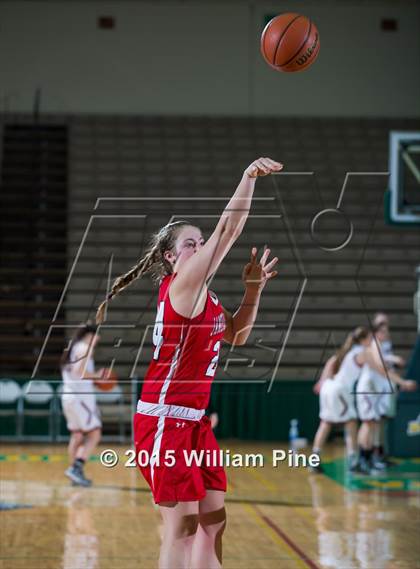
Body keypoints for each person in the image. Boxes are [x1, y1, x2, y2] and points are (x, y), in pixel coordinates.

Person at [96, 157, 282, 569]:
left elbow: (237, 334)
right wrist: (247, 177)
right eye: (190, 244)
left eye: (200, 243)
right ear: (169, 257)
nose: (199, 248)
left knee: (214, 521)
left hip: (193, 421)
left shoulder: (208, 299)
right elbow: (229, 230)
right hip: (164, 420)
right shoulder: (181, 287)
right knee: (180, 527)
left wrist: (252, 290)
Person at [356, 321, 415, 473]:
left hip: (374, 389)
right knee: (368, 424)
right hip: (369, 389)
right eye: (383, 331)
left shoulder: (378, 347)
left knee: (373, 424)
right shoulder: (375, 345)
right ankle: (364, 459)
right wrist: (402, 382)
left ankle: (369, 459)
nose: (386, 334)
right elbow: (382, 370)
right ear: (376, 333)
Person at [60, 323, 103, 487]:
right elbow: (81, 372)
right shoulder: (85, 348)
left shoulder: (72, 347)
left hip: (68, 396)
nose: (98, 339)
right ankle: (76, 468)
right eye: (97, 335)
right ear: (89, 335)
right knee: (94, 434)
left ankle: (73, 473)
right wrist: (97, 376)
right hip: (80, 399)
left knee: (77, 436)